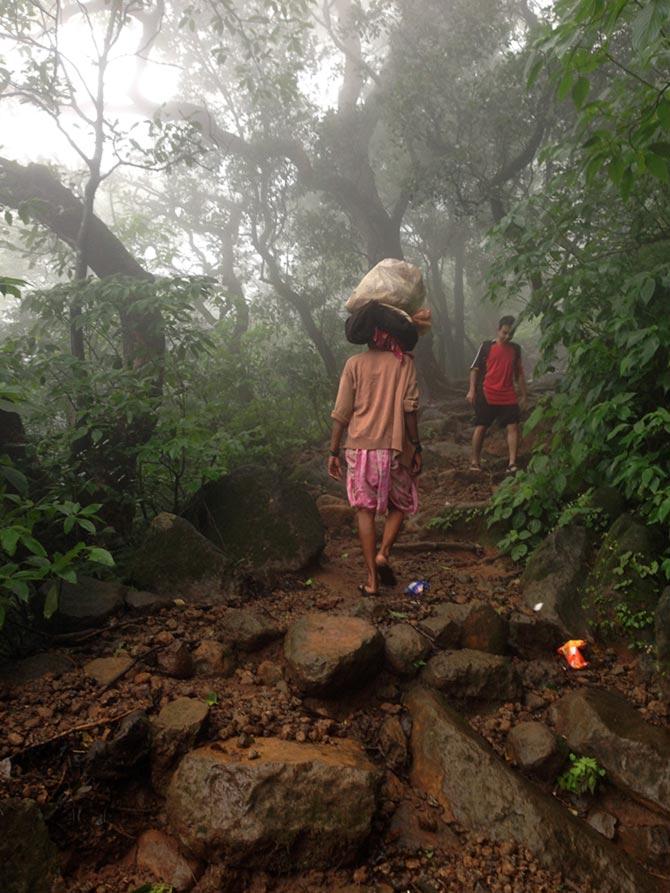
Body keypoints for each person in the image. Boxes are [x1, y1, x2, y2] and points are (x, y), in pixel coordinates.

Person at [328, 320, 422, 596]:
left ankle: (371, 580)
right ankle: (384, 553)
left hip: (359, 448)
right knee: (400, 504)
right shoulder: (403, 363)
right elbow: (410, 410)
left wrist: (333, 451)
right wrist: (416, 446)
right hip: (394, 447)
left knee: (364, 511)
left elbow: (341, 412)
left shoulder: (354, 364)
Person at [466, 315, 527, 473]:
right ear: (498, 330)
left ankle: (512, 463)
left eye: (510, 334)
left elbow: (519, 373)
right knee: (481, 426)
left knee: (513, 426)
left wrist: (524, 395)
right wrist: (472, 390)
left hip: (508, 394)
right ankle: (475, 462)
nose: (507, 337)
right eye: (504, 333)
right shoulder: (487, 346)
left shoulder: (515, 349)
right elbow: (474, 369)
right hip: (487, 392)